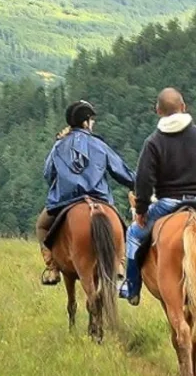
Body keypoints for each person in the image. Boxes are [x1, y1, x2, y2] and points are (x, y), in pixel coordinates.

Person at [119, 88, 196, 305]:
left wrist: (141, 211)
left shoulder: (153, 142)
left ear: (158, 110)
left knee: (133, 234)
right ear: (184, 107)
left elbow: (143, 182)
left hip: (167, 203)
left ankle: (131, 288)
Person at [36, 100, 136, 285]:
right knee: (122, 227)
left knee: (42, 226)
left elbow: (48, 174)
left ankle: (51, 267)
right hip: (100, 199)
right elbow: (121, 171)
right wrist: (135, 184)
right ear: (85, 122)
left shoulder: (59, 145)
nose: (93, 124)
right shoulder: (99, 145)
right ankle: (119, 264)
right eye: (91, 120)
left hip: (65, 201)